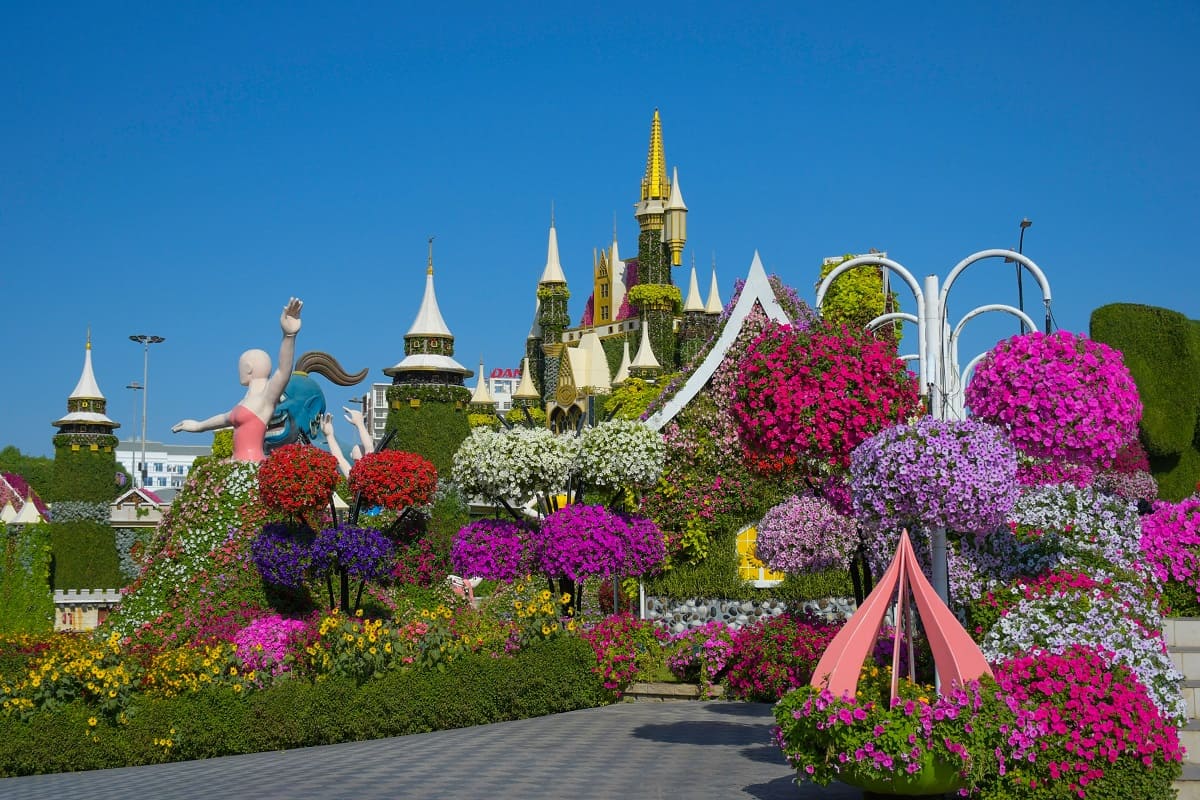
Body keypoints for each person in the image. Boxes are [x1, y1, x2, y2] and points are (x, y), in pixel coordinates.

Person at [172, 298, 303, 462]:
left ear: (248, 368)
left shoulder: (266, 397)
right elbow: (223, 418)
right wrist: (198, 426)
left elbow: (284, 371)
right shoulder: (245, 401)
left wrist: (289, 336)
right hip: (237, 465)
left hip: (252, 464)